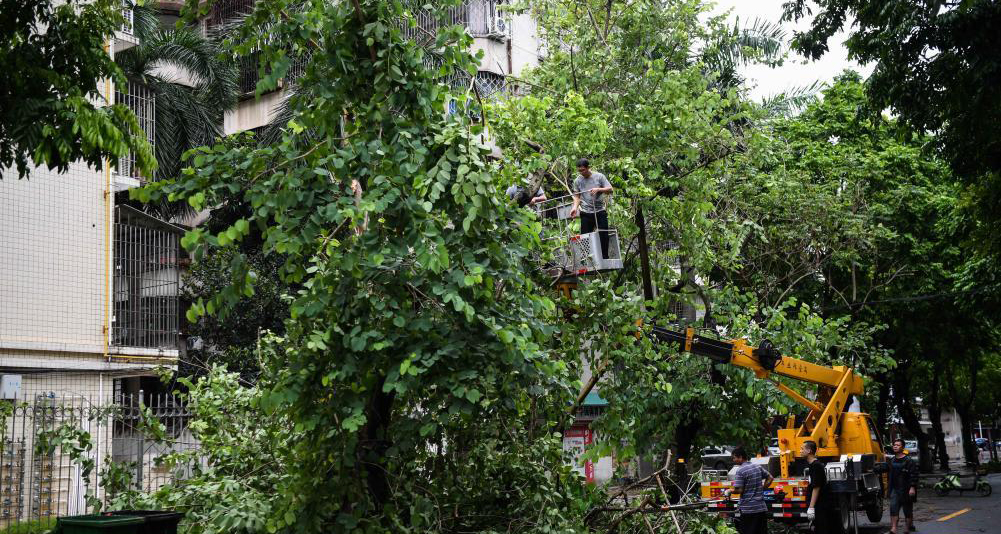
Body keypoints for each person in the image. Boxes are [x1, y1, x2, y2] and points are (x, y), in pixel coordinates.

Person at [723, 446, 774, 534]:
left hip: (748, 510)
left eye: (734, 457)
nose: (733, 460)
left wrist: (729, 491)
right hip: (761, 508)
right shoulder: (757, 466)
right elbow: (770, 477)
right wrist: (762, 488)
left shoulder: (741, 470)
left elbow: (739, 490)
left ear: (740, 457)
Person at [569, 158, 613, 258]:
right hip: (586, 211)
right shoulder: (578, 180)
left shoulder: (599, 176)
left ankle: (604, 256)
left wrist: (599, 189)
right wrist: (574, 208)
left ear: (588, 168)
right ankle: (587, 257)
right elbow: (577, 196)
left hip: (599, 210)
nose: (581, 173)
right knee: (585, 237)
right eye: (579, 171)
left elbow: (610, 189)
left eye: (583, 170)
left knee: (603, 235)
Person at [803, 440, 834, 534]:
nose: (800, 451)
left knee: (821, 529)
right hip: (818, 505)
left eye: (802, 449)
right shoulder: (812, 465)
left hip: (820, 505)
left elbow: (816, 487)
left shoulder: (816, 466)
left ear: (809, 451)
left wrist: (811, 507)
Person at [888, 438, 918, 534]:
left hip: (906, 489)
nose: (895, 446)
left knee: (907, 510)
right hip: (895, 489)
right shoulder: (892, 460)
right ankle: (894, 528)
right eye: (894, 445)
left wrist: (912, 487)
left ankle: (907, 528)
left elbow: (914, 475)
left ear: (903, 447)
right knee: (893, 508)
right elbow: (887, 471)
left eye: (898, 445)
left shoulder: (909, 461)